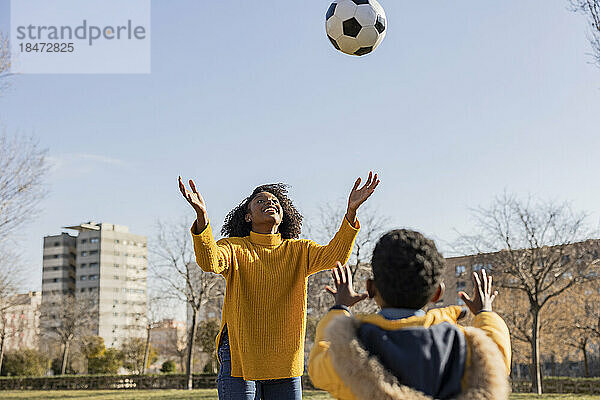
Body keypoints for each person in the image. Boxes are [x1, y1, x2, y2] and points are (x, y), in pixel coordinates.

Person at [178, 172, 380, 400]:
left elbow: (335, 256)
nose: (270, 203)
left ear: (284, 216)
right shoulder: (235, 248)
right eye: (260, 201)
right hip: (240, 355)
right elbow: (209, 261)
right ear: (248, 217)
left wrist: (351, 213)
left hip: (285, 360)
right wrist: (202, 215)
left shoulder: (299, 250)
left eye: (275, 201)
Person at [308, 229, 512, 400]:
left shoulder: (351, 348)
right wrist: (485, 313)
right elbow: (496, 359)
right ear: (437, 293)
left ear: (370, 288)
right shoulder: (462, 345)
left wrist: (340, 309)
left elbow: (318, 367)